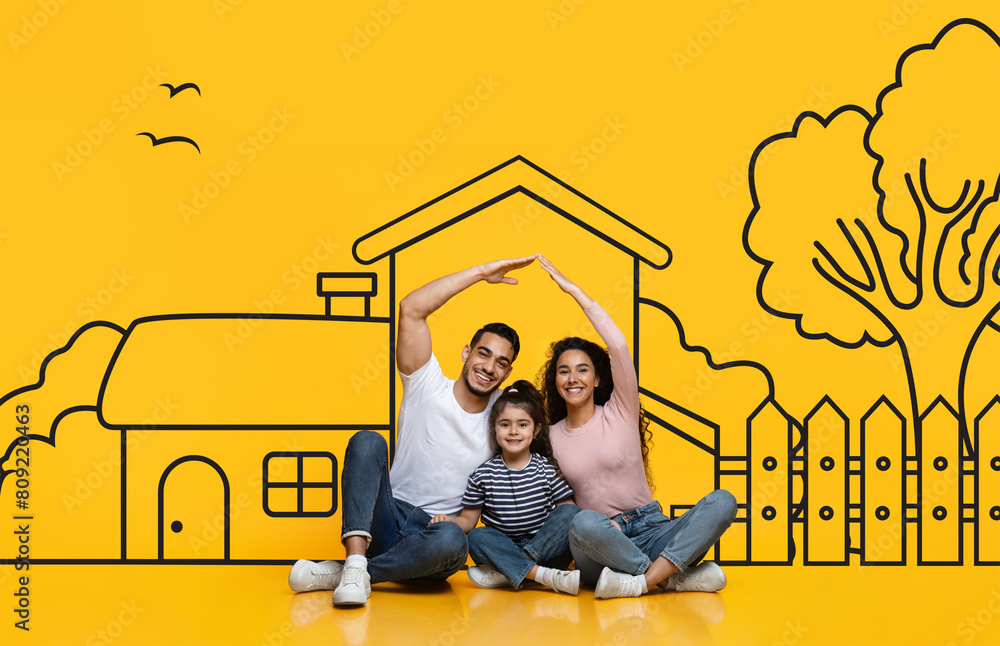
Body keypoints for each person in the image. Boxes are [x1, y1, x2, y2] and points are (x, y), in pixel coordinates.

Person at [288, 255, 538, 607]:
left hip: (434, 539)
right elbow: (411, 308)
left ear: (507, 373)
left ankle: (350, 571)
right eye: (483, 354)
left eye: (501, 362)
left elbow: (538, 435)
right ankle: (358, 560)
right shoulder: (426, 382)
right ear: (467, 352)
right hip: (387, 517)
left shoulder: (505, 417)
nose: (489, 367)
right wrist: (481, 273)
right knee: (367, 441)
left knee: (454, 539)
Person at [537, 255, 738, 599]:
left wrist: (577, 294)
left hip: (652, 528)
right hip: (600, 541)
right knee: (582, 522)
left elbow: (617, 345)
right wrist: (603, 528)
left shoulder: (621, 409)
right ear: (554, 380)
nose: (573, 378)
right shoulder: (549, 437)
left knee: (723, 500)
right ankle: (671, 577)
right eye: (564, 371)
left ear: (598, 378)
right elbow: (563, 504)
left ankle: (643, 581)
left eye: (582, 369)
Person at [429, 380, 582, 595]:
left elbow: (568, 515)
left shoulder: (546, 469)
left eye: (522, 424)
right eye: (504, 424)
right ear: (493, 428)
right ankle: (540, 575)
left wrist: (518, 556)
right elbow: (468, 521)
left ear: (536, 429)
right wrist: (449, 521)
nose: (513, 431)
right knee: (476, 537)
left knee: (572, 512)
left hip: (546, 549)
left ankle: (511, 570)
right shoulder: (482, 475)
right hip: (501, 547)